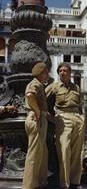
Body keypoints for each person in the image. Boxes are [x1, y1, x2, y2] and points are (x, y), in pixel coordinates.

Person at [45, 62, 85, 189]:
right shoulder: (54, 87)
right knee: (64, 150)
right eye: (60, 71)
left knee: (78, 152)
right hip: (63, 118)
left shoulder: (77, 88)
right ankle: (64, 184)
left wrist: (83, 118)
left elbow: (81, 105)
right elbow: (41, 100)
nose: (62, 72)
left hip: (78, 118)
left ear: (70, 73)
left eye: (65, 70)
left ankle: (74, 182)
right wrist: (48, 116)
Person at [22, 61, 50, 189]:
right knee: (34, 153)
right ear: (40, 73)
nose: (47, 75)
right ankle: (29, 186)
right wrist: (37, 111)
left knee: (41, 152)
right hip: (36, 119)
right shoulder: (34, 84)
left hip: (40, 118)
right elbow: (29, 96)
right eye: (45, 73)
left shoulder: (39, 85)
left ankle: (39, 182)